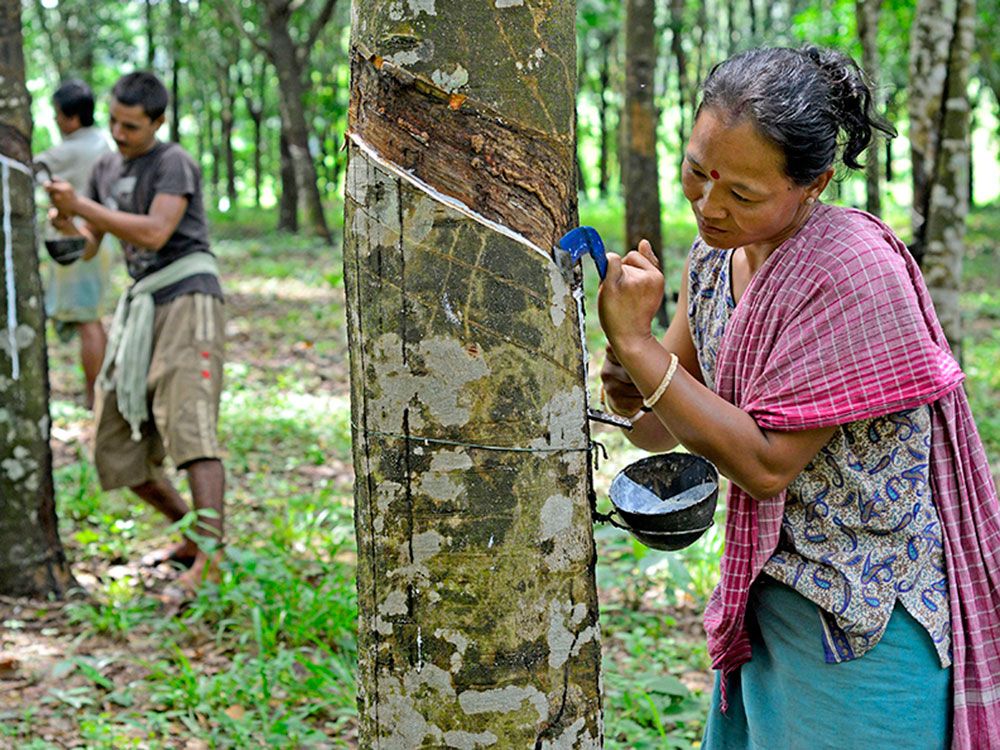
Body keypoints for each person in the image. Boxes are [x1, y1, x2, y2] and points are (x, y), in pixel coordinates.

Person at [597, 46, 1000, 749]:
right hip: (774, 602)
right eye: (697, 172)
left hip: (864, 619)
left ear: (813, 182)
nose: (709, 205)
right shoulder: (714, 258)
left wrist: (641, 349)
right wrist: (631, 378)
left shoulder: (850, 271)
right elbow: (664, 428)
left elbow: (763, 463)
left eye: (742, 194)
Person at [45, 71, 226, 592]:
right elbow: (89, 242)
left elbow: (154, 230)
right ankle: (190, 537)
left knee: (188, 420)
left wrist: (83, 208)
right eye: (114, 122)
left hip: (188, 294)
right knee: (114, 440)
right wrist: (66, 220)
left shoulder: (173, 162)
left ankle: (211, 561)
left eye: (132, 126)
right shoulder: (103, 167)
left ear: (158, 122)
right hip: (141, 301)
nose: (120, 134)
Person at [36, 80, 111, 409]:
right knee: (92, 315)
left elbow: (31, 165)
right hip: (101, 237)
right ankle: (101, 388)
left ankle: (94, 394)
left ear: (73, 117)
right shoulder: (104, 143)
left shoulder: (73, 149)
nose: (55, 121)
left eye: (58, 115)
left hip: (77, 239)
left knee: (87, 319)